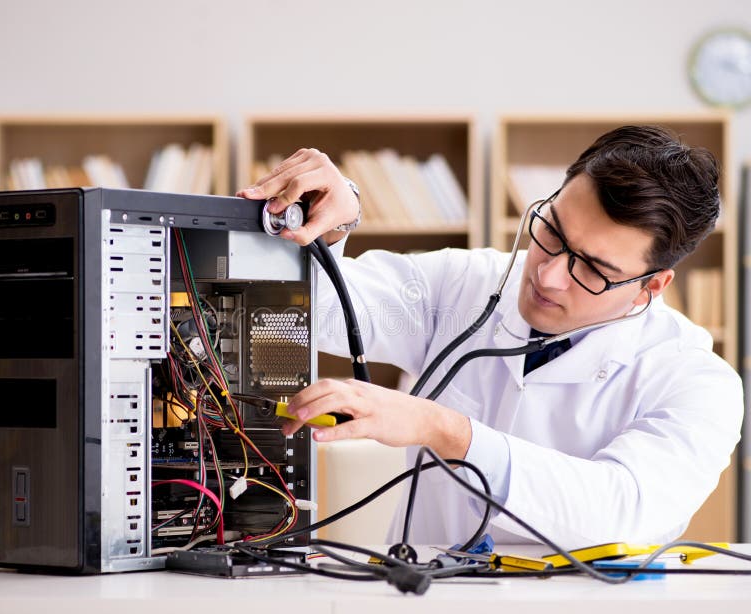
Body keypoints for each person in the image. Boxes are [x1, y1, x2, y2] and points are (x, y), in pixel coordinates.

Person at [236, 126, 743, 547]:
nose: (547, 276)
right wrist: (331, 219)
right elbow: (318, 311)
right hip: (417, 593)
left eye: (592, 268)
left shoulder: (695, 381)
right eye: (553, 232)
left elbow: (622, 508)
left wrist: (447, 431)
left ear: (650, 287)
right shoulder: (466, 284)